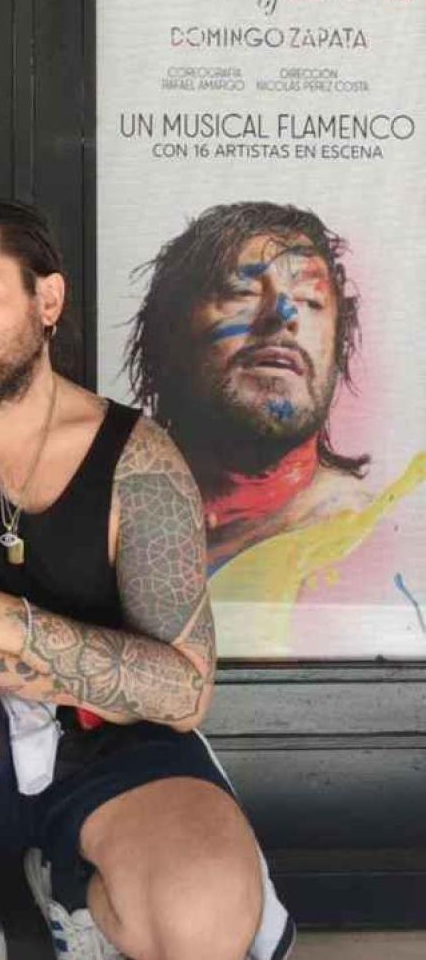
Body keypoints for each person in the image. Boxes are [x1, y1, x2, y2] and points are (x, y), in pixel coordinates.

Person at [0, 198, 293, 960]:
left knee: (203, 919)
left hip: (112, 754)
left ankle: (79, 895)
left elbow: (184, 692)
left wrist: (0, 624)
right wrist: (102, 672)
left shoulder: (139, 461)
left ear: (47, 300)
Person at [125, 201, 426, 656]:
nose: (283, 314)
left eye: (311, 301)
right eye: (241, 291)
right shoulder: (107, 513)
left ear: (337, 352)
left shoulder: (377, 544)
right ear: (168, 336)